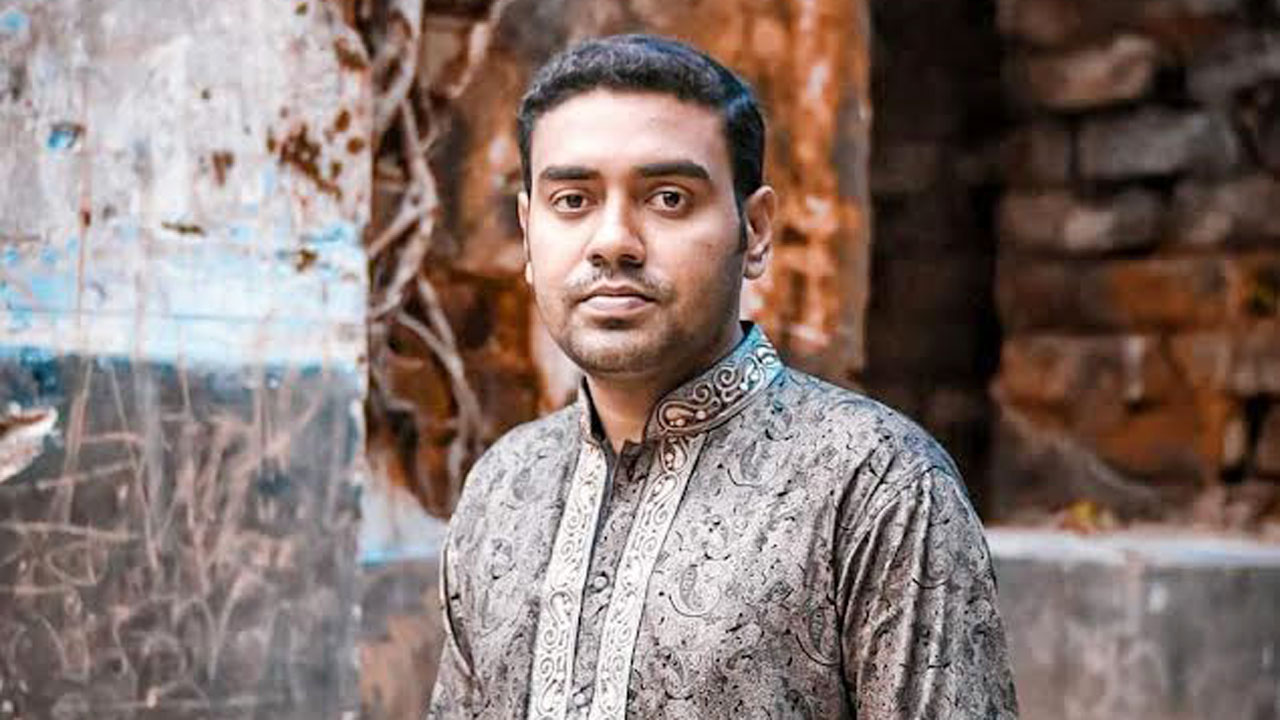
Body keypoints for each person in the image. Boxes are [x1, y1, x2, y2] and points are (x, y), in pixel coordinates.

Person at [426, 34, 1019, 720]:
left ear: (755, 230)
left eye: (668, 198)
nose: (613, 241)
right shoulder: (503, 488)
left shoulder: (875, 484)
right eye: (573, 200)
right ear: (529, 230)